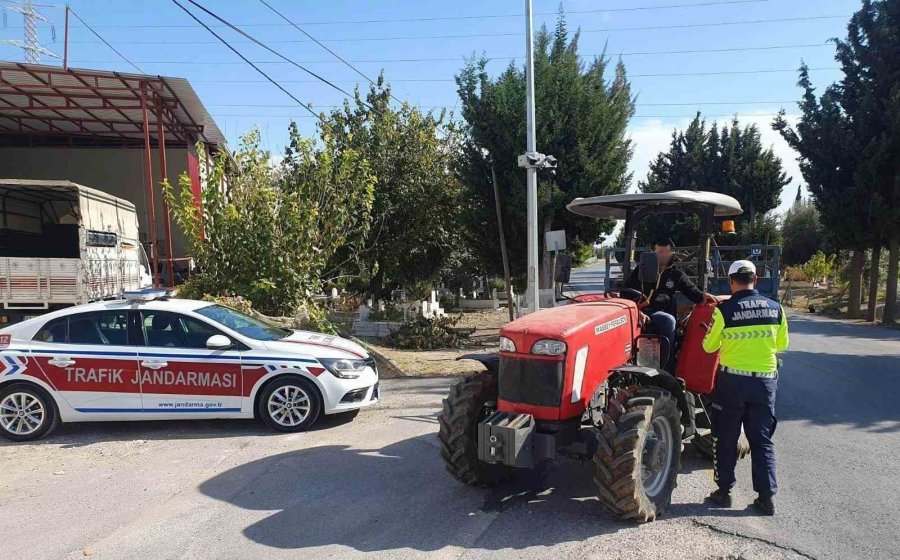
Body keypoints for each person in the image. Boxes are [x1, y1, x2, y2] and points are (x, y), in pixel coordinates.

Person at [701, 260, 789, 516]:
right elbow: (782, 344)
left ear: (730, 281)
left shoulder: (724, 310)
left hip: (732, 384)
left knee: (725, 438)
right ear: (756, 279)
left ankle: (724, 492)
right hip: (764, 382)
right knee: (761, 441)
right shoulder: (776, 308)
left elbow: (708, 347)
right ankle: (766, 498)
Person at [624, 239, 716, 371]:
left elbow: (691, 290)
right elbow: (626, 294)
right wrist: (636, 312)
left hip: (660, 313)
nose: (663, 255)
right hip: (641, 312)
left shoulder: (675, 274)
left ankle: (666, 370)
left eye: (667, 251)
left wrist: (703, 296)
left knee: (668, 320)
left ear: (672, 253)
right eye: (659, 252)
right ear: (652, 253)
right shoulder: (640, 271)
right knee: (667, 320)